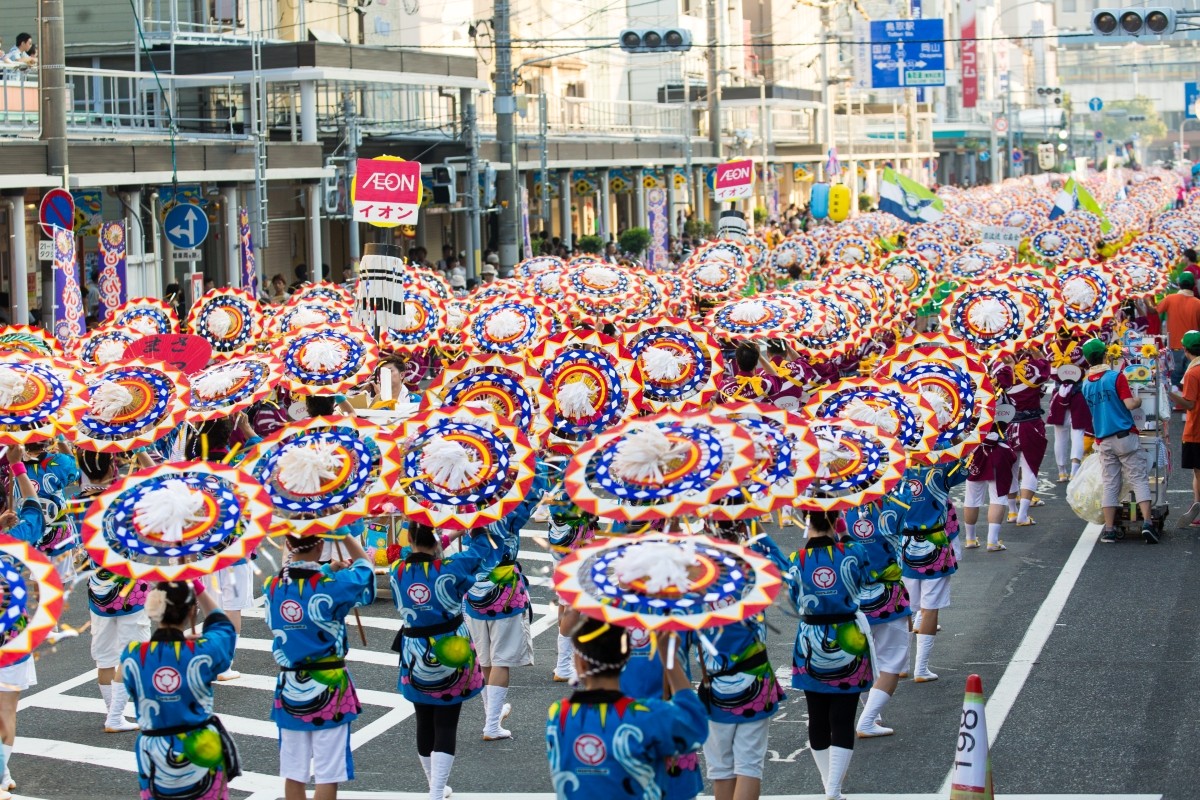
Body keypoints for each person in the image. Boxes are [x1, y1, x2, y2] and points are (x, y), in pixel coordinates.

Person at [755, 510, 875, 800]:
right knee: (843, 718)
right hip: (849, 638)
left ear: (806, 521)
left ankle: (828, 784)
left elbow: (786, 588)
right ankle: (833, 787)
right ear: (837, 521)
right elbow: (867, 579)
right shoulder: (854, 551)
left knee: (817, 716)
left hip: (810, 641)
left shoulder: (796, 561)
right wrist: (843, 533)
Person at [390, 523, 497, 800]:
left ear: (410, 538)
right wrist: (475, 528)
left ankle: (433, 785)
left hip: (414, 654)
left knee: (423, 719)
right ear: (437, 541)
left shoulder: (397, 571)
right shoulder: (452, 567)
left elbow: (416, 551)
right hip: (452, 651)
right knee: (447, 723)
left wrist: (444, 537)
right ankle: (437, 790)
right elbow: (483, 549)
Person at [265, 532, 375, 800]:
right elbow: (365, 568)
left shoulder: (271, 586)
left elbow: (300, 583)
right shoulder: (333, 585)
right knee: (328, 772)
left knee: (294, 772)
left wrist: (326, 569)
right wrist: (345, 534)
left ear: (289, 545)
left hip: (290, 688)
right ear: (321, 545)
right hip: (331, 686)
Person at [545, 619, 708, 800]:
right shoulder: (646, 716)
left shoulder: (559, 715)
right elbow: (696, 724)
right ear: (626, 658)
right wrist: (669, 661)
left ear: (580, 664)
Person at [122, 580, 240, 800]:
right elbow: (223, 627)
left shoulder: (133, 655)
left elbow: (128, 682)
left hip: (154, 753)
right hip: (202, 747)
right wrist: (199, 588)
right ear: (191, 611)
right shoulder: (202, 651)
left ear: (153, 610)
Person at [694, 521, 785, 800]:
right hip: (755, 681)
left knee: (720, 770)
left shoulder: (696, 572)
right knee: (749, 767)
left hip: (714, 685)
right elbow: (786, 570)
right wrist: (761, 537)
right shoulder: (755, 567)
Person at [464, 469, 547, 741]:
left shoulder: (464, 512)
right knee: (500, 661)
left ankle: (493, 716)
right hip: (505, 596)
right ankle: (491, 725)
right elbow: (534, 491)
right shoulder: (507, 516)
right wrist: (538, 460)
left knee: (485, 659)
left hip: (473, 594)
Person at [75, 449, 153, 734]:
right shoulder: (122, 499)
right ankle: (116, 716)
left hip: (98, 590)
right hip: (130, 588)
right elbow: (157, 481)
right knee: (132, 653)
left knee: (105, 656)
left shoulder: (77, 502)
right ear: (111, 465)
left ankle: (113, 712)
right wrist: (141, 450)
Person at [0, 445, 52, 796]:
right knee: (6, 710)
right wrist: (17, 468)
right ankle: (2, 774)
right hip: (11, 636)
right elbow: (35, 509)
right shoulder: (17, 539)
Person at [842, 497, 910, 738]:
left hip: (851, 597)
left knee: (860, 657)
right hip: (888, 596)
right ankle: (868, 719)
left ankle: (871, 712)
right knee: (892, 660)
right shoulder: (896, 506)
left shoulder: (839, 511)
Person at [1079, 337, 1157, 544]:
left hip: (1103, 438)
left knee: (1110, 483)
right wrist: (1138, 399)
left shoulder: (1086, 384)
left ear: (1087, 360)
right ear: (1105, 355)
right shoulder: (1115, 377)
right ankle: (1148, 523)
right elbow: (1130, 404)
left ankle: (1110, 529)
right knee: (1138, 478)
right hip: (1124, 436)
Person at [994, 351, 1051, 525]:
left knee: (1011, 469)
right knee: (1030, 468)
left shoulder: (999, 370)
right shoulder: (1032, 368)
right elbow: (1045, 367)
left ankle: (1012, 511)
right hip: (1031, 424)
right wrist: (1037, 351)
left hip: (1008, 425)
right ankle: (1023, 514)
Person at [1170, 330, 1200, 527]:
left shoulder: (1192, 372)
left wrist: (1170, 393)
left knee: (1198, 472)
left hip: (1197, 428)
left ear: (1185, 349)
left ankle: (1198, 509)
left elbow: (1189, 404)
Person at [1156, 272, 1200, 388]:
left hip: (1174, 348)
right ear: (1194, 285)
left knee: (1174, 383)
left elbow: (1155, 311)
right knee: (1190, 384)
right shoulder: (1198, 303)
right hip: (1194, 351)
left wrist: (1144, 299)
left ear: (1179, 284)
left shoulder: (1170, 299)